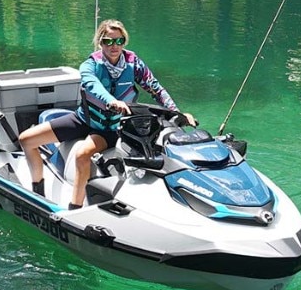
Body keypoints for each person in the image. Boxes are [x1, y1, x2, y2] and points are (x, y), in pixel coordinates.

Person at [19, 19, 195, 210]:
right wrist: (111, 100)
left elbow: (156, 89)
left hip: (111, 128)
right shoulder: (90, 65)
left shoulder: (133, 64)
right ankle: (37, 192)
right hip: (84, 119)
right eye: (108, 41)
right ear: (100, 42)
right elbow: (91, 85)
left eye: (119, 41)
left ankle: (74, 209)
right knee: (26, 139)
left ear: (124, 42)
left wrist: (177, 113)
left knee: (83, 154)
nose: (114, 46)